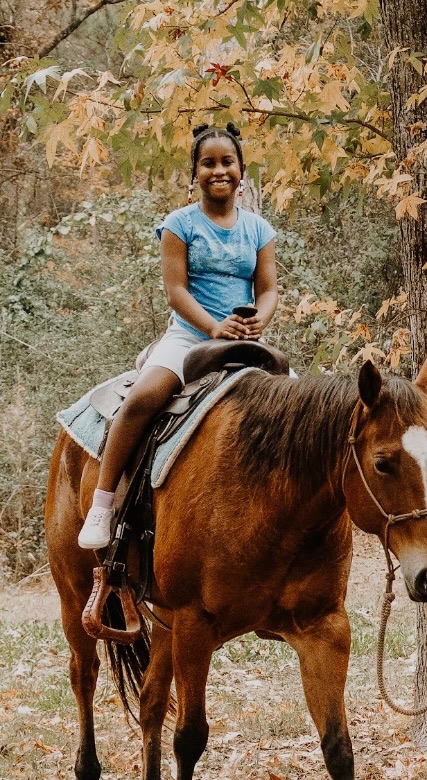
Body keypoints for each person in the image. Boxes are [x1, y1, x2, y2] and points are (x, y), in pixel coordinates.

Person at [78, 122, 279, 549]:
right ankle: (103, 503)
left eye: (228, 162)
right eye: (208, 163)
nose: (219, 170)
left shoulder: (259, 230)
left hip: (243, 340)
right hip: (190, 338)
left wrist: (259, 319)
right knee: (143, 398)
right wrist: (212, 327)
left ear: (242, 169)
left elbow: (268, 289)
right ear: (195, 172)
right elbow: (176, 291)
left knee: (298, 407)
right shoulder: (179, 224)